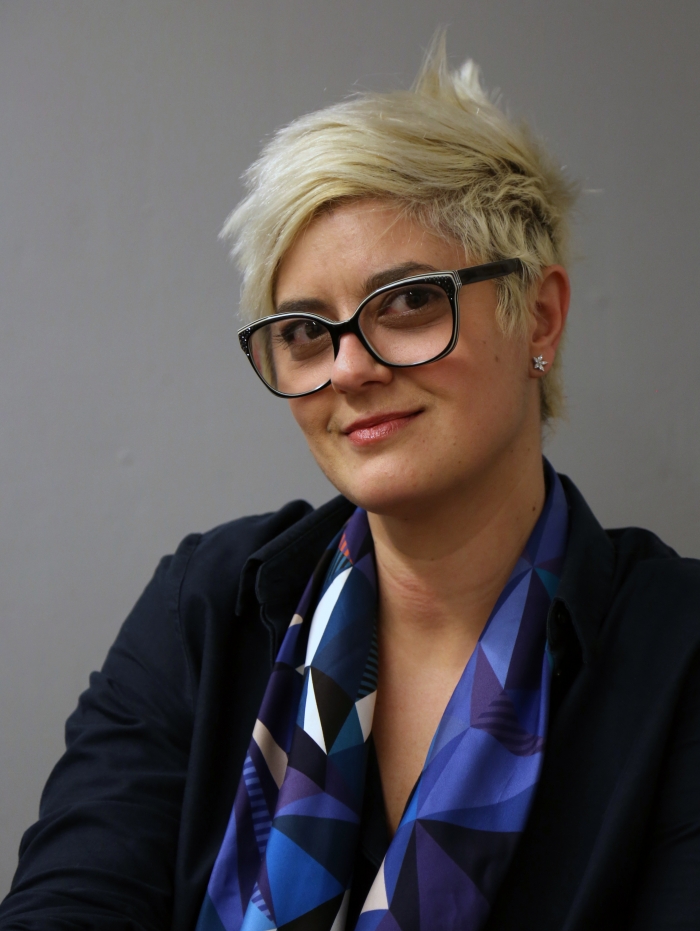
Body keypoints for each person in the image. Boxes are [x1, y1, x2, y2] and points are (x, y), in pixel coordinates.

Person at [2, 36, 700, 931]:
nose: (349, 368)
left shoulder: (681, 649)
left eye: (408, 301)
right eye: (304, 330)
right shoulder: (205, 607)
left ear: (540, 316)